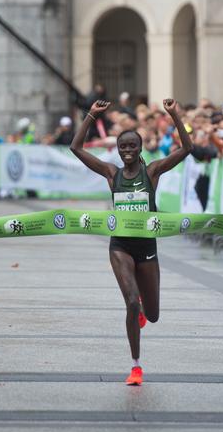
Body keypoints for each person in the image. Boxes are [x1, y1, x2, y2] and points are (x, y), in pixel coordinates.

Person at [70, 98, 192, 387]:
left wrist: (175, 114)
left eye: (132, 146)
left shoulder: (152, 172)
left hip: (147, 249)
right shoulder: (112, 174)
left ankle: (140, 307)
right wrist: (91, 115)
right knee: (131, 303)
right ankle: (136, 367)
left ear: (140, 149)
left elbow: (187, 149)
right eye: (122, 146)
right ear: (118, 149)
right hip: (120, 247)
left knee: (153, 314)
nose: (127, 151)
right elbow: (76, 148)